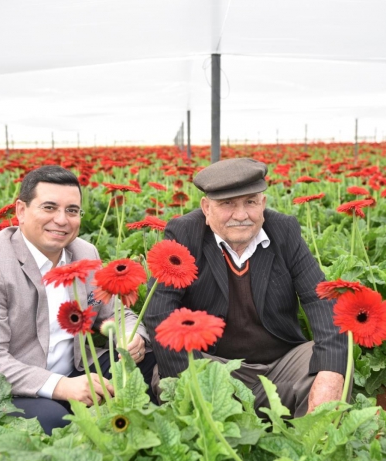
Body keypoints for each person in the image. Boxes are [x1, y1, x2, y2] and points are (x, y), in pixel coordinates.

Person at [0, 165, 155, 434]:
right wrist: (61, 387)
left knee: (147, 365)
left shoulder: (83, 252)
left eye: (71, 210)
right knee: (53, 419)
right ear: (21, 211)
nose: (62, 220)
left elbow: (117, 313)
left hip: (74, 371)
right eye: (49, 207)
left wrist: (132, 335)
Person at [144, 158, 347, 418]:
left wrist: (329, 375)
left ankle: (309, 448)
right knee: (173, 378)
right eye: (227, 204)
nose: (241, 215)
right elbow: (158, 311)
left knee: (335, 362)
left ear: (262, 203)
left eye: (250, 202)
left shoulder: (284, 230)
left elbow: (321, 299)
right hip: (213, 367)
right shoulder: (185, 233)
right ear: (206, 208)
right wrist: (192, 384)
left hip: (279, 367)